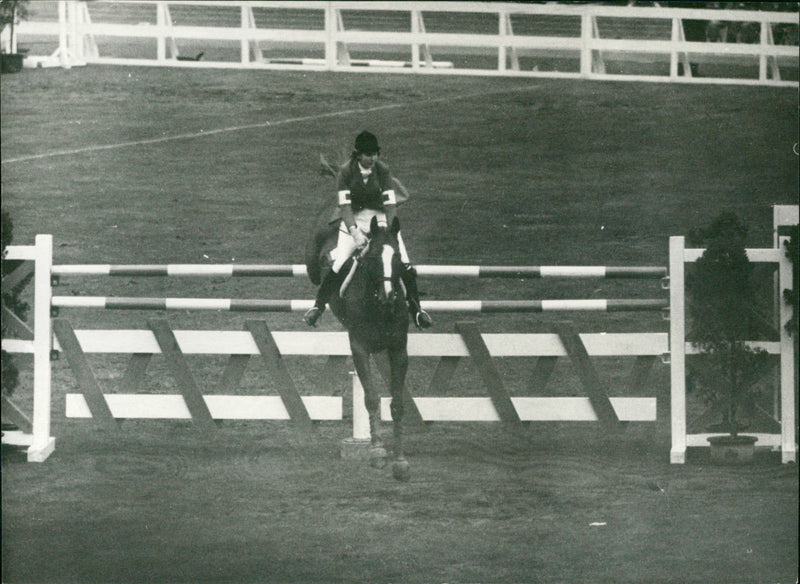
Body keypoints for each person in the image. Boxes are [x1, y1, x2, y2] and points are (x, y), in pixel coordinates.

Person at [304, 131, 432, 329]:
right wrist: (355, 232)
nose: (373, 158)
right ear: (358, 155)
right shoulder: (346, 172)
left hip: (381, 219)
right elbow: (345, 207)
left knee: (404, 262)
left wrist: (389, 232)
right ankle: (317, 308)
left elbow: (390, 205)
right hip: (354, 220)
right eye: (368, 154)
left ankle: (417, 310)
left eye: (375, 154)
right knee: (338, 263)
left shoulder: (383, 170)